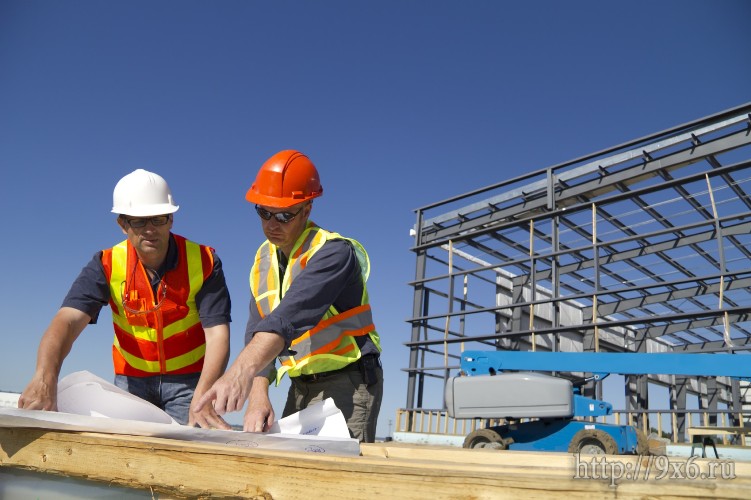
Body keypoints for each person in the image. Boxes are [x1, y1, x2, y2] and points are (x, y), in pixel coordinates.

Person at [18, 169, 232, 428]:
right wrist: (44, 378)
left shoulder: (205, 261)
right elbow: (67, 321)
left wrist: (204, 394)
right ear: (123, 225)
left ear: (171, 219)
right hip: (132, 381)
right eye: (139, 221)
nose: (150, 230)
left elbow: (217, 334)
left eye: (158, 219)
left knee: (190, 452)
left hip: (190, 382)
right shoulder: (105, 264)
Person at [195, 150, 383, 442]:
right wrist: (258, 394)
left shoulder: (333, 253)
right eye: (264, 212)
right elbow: (258, 327)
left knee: (336, 480)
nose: (272, 224)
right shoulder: (263, 259)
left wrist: (239, 372)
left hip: (350, 381)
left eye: (284, 214)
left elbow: (286, 318)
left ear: (307, 209)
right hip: (301, 385)